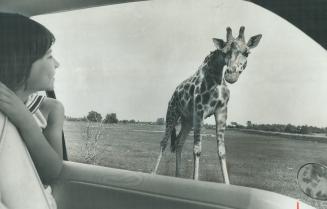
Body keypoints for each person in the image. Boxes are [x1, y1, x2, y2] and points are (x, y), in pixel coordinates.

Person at [0, 13, 63, 186]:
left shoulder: (51, 109)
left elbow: (52, 173)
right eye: (49, 56)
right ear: (21, 62)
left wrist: (25, 119)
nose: (57, 64)